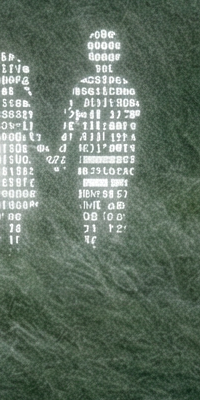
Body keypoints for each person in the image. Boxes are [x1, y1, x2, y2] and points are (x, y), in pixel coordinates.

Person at [57, 29, 140, 246]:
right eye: (99, 50)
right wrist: (62, 153)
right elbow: (72, 123)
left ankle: (109, 246)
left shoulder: (122, 88)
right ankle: (97, 245)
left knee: (112, 204)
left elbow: (131, 127)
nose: (103, 55)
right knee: (95, 204)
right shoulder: (88, 87)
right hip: (95, 157)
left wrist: (129, 157)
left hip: (112, 157)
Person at [0, 52, 56, 245]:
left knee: (8, 204)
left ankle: (8, 243)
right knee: (0, 203)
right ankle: (1, 243)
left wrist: (49, 156)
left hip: (6, 156)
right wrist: (49, 156)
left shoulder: (10, 105)